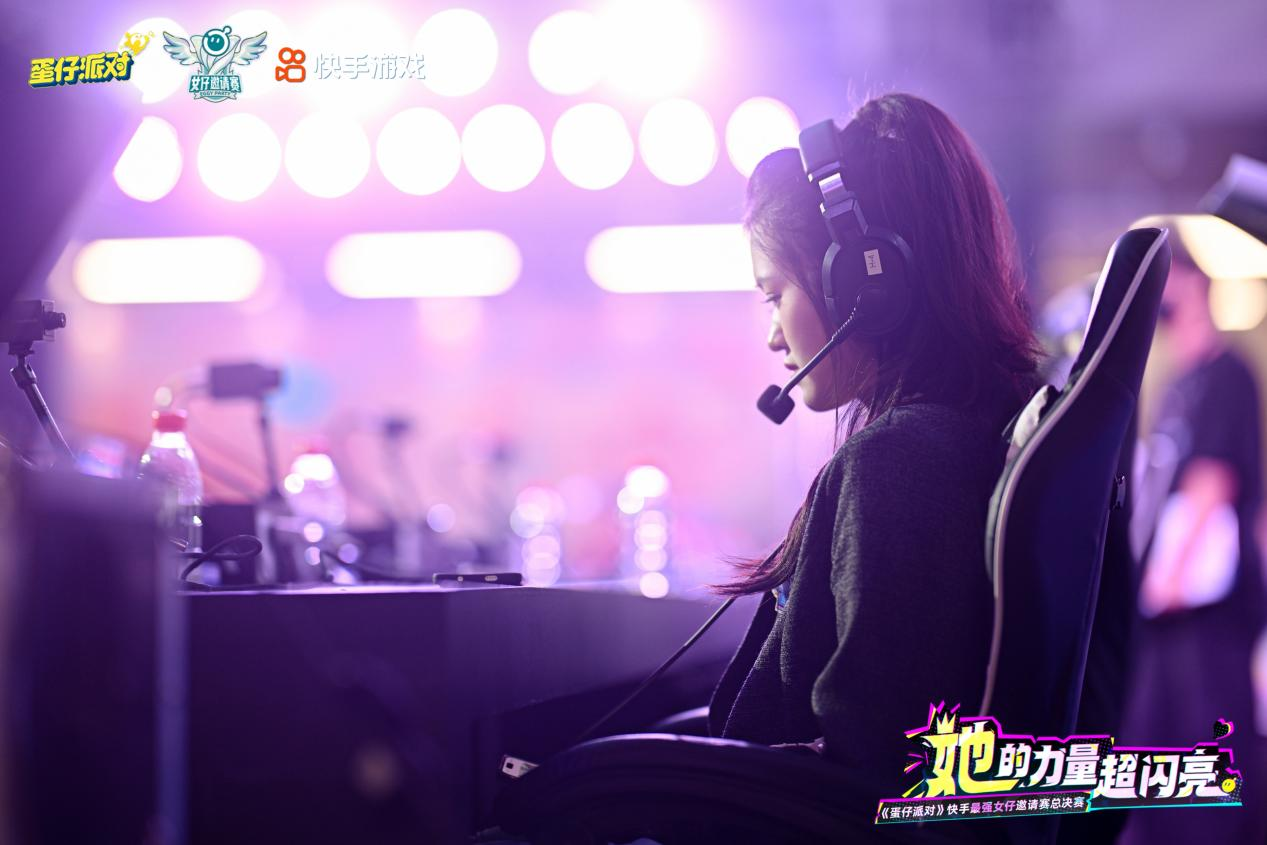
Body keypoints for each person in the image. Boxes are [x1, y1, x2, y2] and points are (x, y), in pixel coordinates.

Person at [707, 93, 1044, 829]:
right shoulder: (971, 432)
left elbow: (865, 771)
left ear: (865, 287)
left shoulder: (898, 464)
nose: (773, 335)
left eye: (774, 295)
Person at [1120, 241, 1265, 844]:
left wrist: (1169, 578)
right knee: (1153, 750)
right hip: (1165, 609)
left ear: (1192, 283)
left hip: (1207, 606)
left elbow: (1213, 479)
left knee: (1209, 746)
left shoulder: (1228, 374)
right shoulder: (1178, 384)